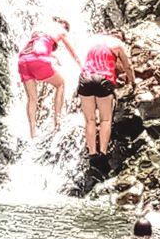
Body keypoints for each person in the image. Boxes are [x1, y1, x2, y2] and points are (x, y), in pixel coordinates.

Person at [77, 31, 135, 165]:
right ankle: (103, 153)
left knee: (90, 120)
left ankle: (92, 153)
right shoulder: (118, 44)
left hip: (85, 78)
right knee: (105, 119)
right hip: (104, 79)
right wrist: (133, 82)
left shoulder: (93, 40)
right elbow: (128, 65)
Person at [17, 18, 80, 138]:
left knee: (32, 98)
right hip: (38, 59)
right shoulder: (61, 30)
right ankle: (58, 122)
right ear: (64, 26)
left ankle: (33, 132)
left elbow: (38, 45)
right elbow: (73, 53)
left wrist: (52, 56)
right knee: (60, 84)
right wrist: (82, 67)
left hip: (23, 59)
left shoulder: (40, 28)